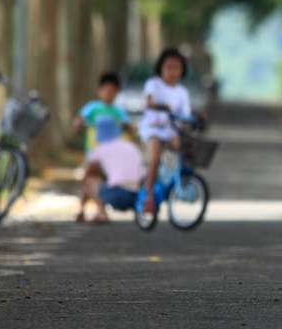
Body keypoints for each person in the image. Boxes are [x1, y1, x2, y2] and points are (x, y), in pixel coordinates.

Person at [72, 71, 132, 221]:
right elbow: (79, 121)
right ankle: (84, 210)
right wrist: (78, 124)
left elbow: (130, 127)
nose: (108, 93)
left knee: (90, 179)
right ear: (99, 91)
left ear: (117, 92)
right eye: (105, 90)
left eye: (112, 90)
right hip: (94, 152)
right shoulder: (92, 108)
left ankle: (100, 211)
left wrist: (128, 127)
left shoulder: (119, 112)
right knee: (89, 178)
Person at [139, 47, 193, 215]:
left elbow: (185, 114)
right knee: (155, 156)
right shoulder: (153, 84)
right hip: (153, 128)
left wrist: (194, 119)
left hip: (171, 130)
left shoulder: (182, 92)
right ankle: (148, 196)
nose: (172, 72)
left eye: (176, 68)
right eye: (168, 67)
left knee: (181, 152)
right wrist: (160, 106)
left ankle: (174, 184)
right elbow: (149, 101)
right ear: (161, 68)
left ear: (182, 70)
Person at [80, 117, 145, 223]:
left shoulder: (100, 149)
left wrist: (81, 208)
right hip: (139, 195)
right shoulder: (131, 146)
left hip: (117, 195)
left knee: (89, 179)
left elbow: (88, 173)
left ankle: (101, 213)